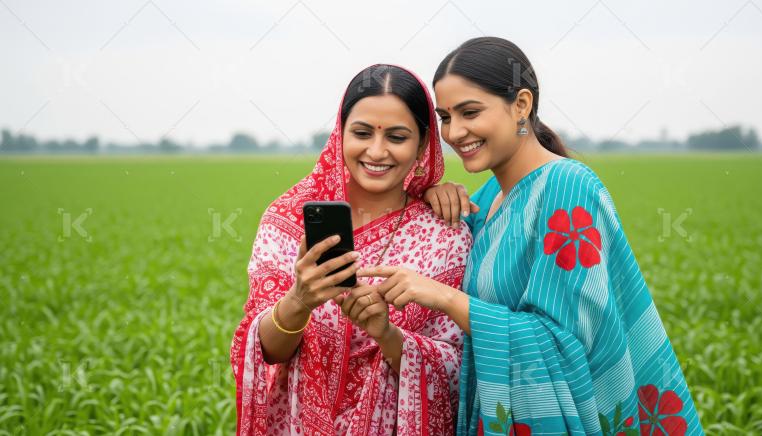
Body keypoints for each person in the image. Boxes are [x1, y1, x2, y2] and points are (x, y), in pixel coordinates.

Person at [362, 37, 704, 435]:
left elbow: (563, 345)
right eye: (445, 117)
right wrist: (431, 193)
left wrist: (445, 298)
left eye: (470, 112)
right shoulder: (487, 198)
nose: (455, 132)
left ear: (521, 105)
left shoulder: (569, 189)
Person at [230, 64, 472, 435]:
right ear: (339, 134)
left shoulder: (445, 234)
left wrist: (387, 334)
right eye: (361, 133)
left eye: (397, 136)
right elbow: (264, 352)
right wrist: (299, 300)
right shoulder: (288, 220)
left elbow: (459, 366)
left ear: (423, 144)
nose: (377, 151)